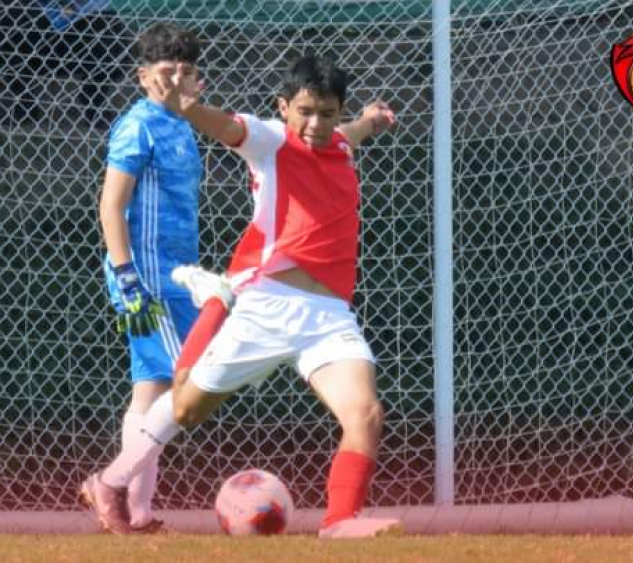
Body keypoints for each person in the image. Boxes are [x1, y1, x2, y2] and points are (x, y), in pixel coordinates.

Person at [81, 54, 400, 539]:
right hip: (264, 305)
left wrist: (370, 123)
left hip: (329, 317)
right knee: (185, 408)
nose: (314, 124)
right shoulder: (270, 139)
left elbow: (345, 136)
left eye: (326, 113)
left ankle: (340, 522)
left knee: (366, 413)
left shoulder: (337, 141)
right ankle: (109, 481)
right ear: (285, 107)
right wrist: (189, 108)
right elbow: (227, 127)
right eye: (305, 111)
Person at [83, 22, 204, 534]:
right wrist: (127, 274)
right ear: (143, 76)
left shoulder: (184, 124)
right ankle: (108, 483)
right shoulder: (138, 126)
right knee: (193, 386)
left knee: (150, 393)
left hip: (178, 276)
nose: (176, 78)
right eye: (165, 69)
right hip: (147, 279)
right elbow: (112, 205)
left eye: (186, 69)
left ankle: (136, 510)